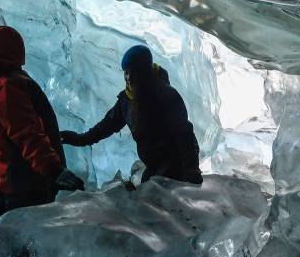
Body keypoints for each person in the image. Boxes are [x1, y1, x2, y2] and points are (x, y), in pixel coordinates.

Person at [0, 25, 84, 224]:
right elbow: (11, 120)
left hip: (27, 178)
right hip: (13, 176)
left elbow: (28, 133)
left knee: (12, 231)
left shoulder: (7, 86)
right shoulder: (9, 82)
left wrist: (53, 171)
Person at [61, 44, 202, 185]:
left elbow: (185, 135)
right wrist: (79, 139)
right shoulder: (126, 101)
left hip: (174, 166)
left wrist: (192, 169)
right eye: (126, 73)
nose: (128, 77)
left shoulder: (167, 95)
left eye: (133, 72)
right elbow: (105, 126)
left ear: (144, 71)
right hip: (153, 168)